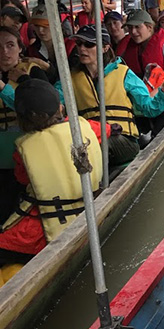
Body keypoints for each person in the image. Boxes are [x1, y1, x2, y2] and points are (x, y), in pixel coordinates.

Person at [0, 79, 102, 267]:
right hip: (90, 212)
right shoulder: (86, 127)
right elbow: (108, 131)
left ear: (22, 119)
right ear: (60, 108)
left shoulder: (23, 150)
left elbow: (21, 178)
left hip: (41, 231)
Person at [59, 25, 164, 168]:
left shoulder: (123, 73)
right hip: (88, 139)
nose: (82, 48)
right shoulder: (69, 79)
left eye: (89, 44)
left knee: (98, 145)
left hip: (123, 141)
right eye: (79, 44)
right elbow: (55, 103)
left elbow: (149, 108)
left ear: (105, 48)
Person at [0, 26, 48, 222]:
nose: (4, 52)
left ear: (20, 47)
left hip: (27, 144)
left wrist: (3, 88)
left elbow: (44, 110)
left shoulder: (33, 72)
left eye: (10, 45)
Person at [118, 9, 164, 94]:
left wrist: (155, 96)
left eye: (137, 27)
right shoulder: (130, 48)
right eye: (130, 28)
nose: (133, 32)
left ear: (149, 27)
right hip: (142, 96)